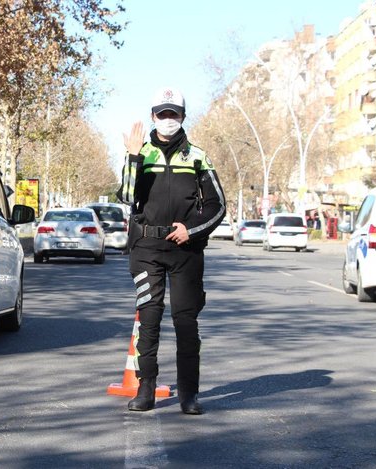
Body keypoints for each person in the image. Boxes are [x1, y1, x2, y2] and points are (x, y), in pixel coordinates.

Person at [117, 86, 226, 414]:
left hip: (185, 251)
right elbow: (125, 195)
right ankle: (145, 389)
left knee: (185, 322)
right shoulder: (141, 153)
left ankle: (189, 395)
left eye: (173, 114)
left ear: (182, 117)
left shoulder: (197, 157)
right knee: (148, 319)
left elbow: (218, 207)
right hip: (147, 247)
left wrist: (189, 230)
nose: (167, 120)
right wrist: (133, 156)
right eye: (162, 114)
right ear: (153, 116)